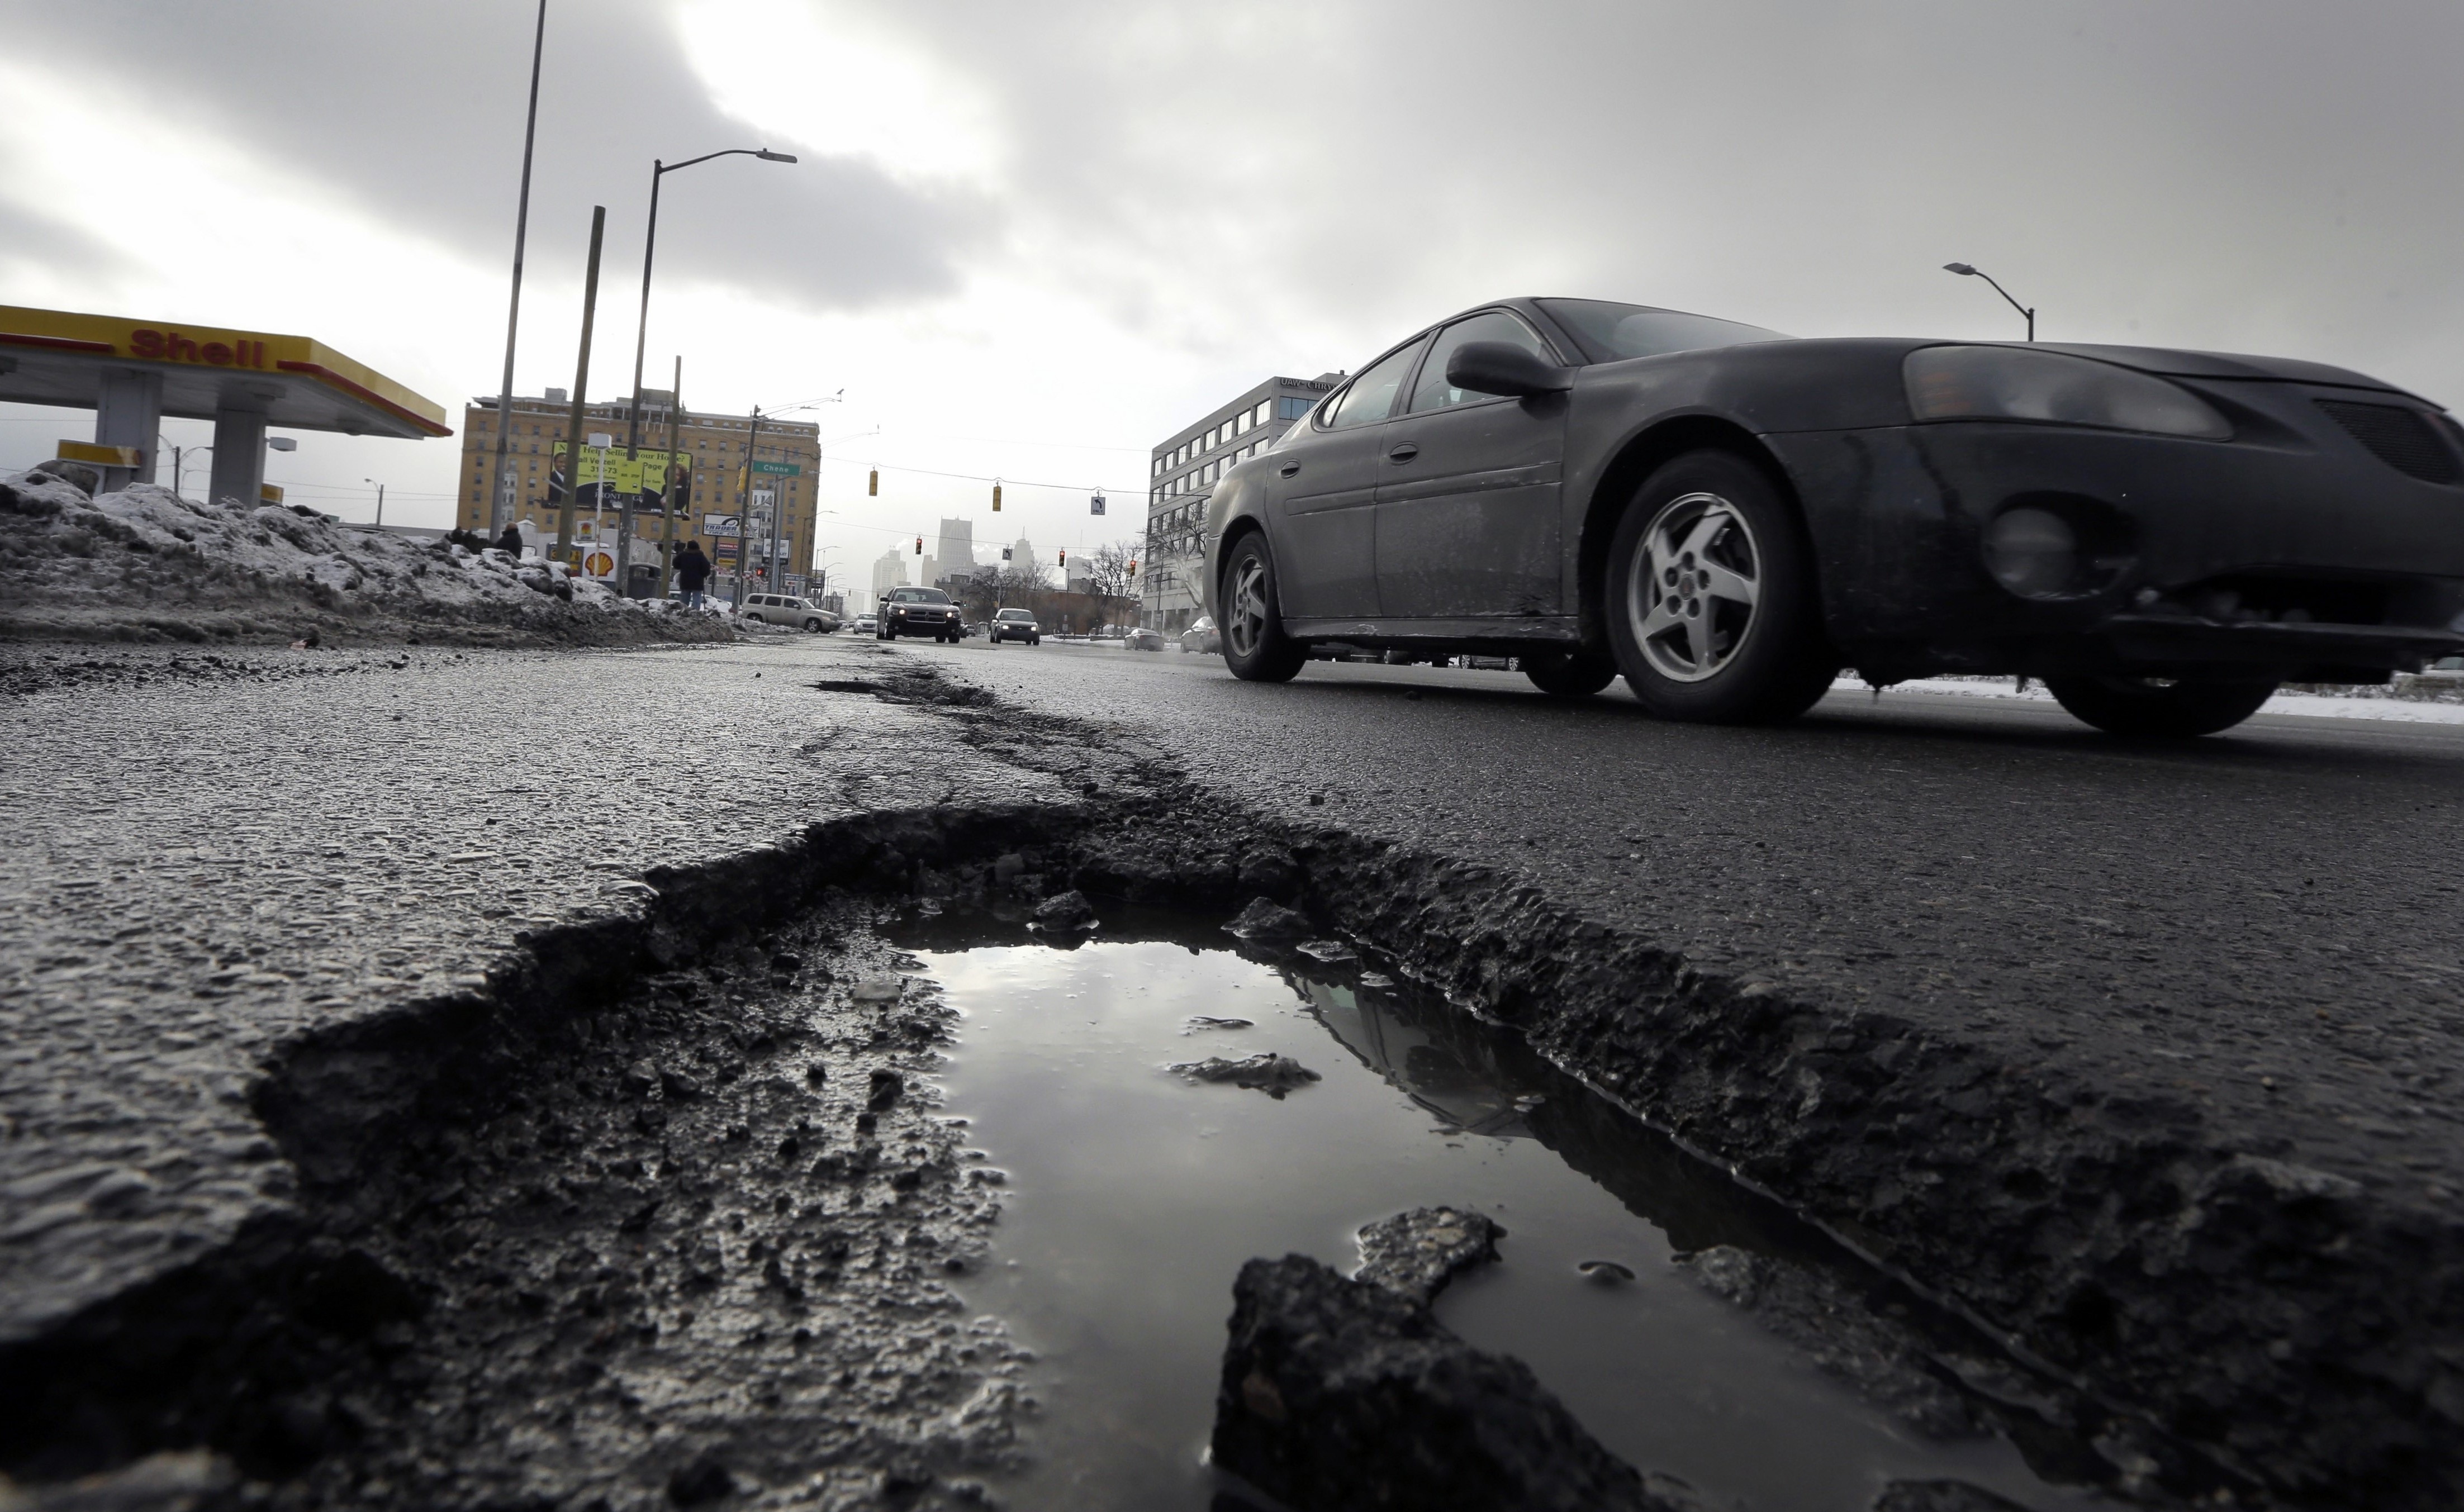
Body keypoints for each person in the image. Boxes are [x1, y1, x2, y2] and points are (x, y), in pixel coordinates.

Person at [674, 539, 712, 609]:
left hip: (685, 580)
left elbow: (675, 564)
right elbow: (706, 568)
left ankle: (683, 611)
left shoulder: (683, 555)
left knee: (684, 599)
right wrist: (704, 575)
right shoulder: (701, 556)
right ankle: (695, 611)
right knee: (697, 598)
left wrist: (683, 567)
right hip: (698, 581)